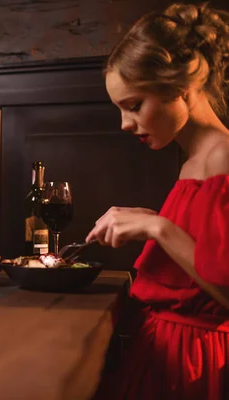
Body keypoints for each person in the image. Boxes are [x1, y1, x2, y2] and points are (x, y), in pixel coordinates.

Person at [86, 3, 229, 399]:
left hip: (195, 358)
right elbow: (204, 254)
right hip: (162, 348)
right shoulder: (194, 163)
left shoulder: (223, 156)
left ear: (180, 89)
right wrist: (151, 218)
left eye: (134, 106)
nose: (125, 124)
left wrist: (157, 227)